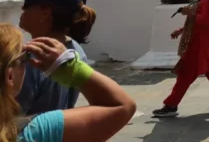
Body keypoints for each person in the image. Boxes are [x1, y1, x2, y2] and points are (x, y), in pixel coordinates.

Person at [0, 23, 136, 142]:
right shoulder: (38, 131)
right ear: (10, 76)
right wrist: (73, 69)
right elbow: (123, 106)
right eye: (25, 57)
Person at [14, 0, 96, 117]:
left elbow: (12, 114)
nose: (22, 8)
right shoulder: (76, 50)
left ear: (46, 12)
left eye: (28, 4)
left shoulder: (33, 57)